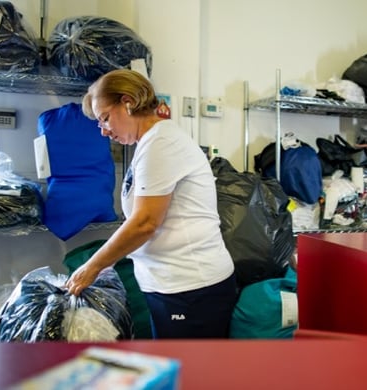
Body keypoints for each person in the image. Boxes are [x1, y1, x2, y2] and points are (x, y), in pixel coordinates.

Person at [65, 69, 238, 339]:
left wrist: (93, 267)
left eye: (105, 118)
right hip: (171, 284)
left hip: (191, 287)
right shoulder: (150, 143)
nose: (103, 131)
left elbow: (145, 222)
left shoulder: (162, 143)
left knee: (191, 375)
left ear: (128, 102)